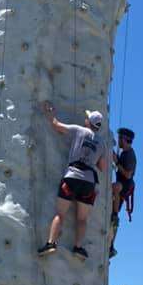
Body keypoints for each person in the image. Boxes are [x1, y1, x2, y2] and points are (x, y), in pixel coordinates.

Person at [37, 102, 108, 260]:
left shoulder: (79, 130)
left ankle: (51, 243)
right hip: (89, 181)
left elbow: (57, 126)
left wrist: (50, 113)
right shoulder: (102, 143)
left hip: (73, 176)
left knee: (60, 214)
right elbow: (102, 167)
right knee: (82, 218)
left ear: (88, 122)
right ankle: (78, 248)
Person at [109, 127, 136, 258]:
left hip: (124, 186)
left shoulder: (130, 155)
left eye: (120, 138)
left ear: (125, 140)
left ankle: (114, 213)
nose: (118, 140)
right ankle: (111, 245)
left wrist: (116, 161)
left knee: (116, 188)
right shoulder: (125, 152)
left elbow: (128, 174)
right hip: (122, 184)